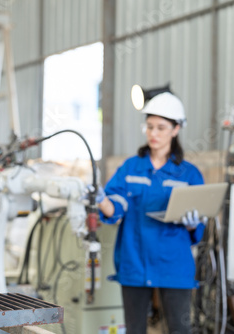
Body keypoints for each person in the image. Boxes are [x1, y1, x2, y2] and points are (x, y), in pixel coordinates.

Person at [97, 92, 206, 334]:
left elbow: (198, 229)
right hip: (134, 262)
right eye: (149, 127)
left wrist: (192, 223)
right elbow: (114, 210)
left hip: (173, 266)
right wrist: (100, 199)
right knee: (135, 330)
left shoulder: (189, 174)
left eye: (160, 127)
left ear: (176, 129)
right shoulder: (130, 167)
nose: (153, 133)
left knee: (180, 329)